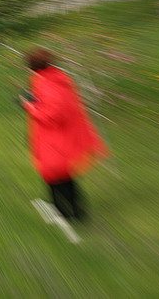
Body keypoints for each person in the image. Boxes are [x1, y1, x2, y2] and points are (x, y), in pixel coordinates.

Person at [20, 48, 108, 221]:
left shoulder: (45, 83)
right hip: (64, 136)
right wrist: (36, 100)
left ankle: (64, 212)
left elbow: (52, 114)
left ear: (33, 66)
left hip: (53, 138)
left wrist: (30, 106)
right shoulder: (58, 78)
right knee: (64, 175)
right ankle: (78, 213)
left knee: (53, 175)